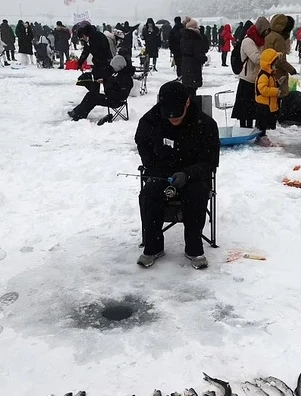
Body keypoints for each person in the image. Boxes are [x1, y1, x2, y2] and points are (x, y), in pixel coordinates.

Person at [135, 81, 220, 269]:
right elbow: (141, 141)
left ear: (187, 103)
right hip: (161, 172)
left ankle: (193, 247)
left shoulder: (206, 125)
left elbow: (210, 162)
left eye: (177, 114)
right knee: (148, 195)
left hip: (194, 174)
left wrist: (188, 173)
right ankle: (153, 246)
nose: (173, 119)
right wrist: (152, 166)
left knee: (196, 195)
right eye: (168, 115)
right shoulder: (150, 120)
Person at [68, 55, 134, 123]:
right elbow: (114, 82)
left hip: (115, 101)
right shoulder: (121, 74)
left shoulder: (125, 78)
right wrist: (105, 81)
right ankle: (78, 112)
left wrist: (109, 88)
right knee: (90, 95)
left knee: (92, 97)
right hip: (112, 98)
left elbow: (121, 94)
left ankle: (79, 114)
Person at [231, 17, 270, 129]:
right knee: (245, 108)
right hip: (247, 78)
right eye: (266, 30)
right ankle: (244, 129)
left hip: (256, 78)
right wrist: (269, 56)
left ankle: (250, 129)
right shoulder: (248, 41)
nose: (266, 33)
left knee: (252, 108)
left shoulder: (260, 41)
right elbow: (256, 58)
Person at [264, 14, 297, 99]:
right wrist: (291, 70)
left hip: (267, 71)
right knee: (278, 98)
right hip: (278, 74)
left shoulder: (268, 35)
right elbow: (280, 59)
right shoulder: (279, 38)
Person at [254, 48, 283, 147]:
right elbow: (263, 89)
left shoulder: (270, 74)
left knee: (264, 121)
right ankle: (260, 137)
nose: (275, 65)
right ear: (268, 63)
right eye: (274, 63)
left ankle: (262, 135)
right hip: (263, 103)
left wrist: (277, 83)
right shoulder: (264, 75)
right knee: (262, 122)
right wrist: (275, 91)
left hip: (267, 102)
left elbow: (270, 85)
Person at [180, 19, 206, 97]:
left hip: (186, 64)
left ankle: (188, 104)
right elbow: (198, 53)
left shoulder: (184, 38)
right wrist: (204, 58)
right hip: (193, 65)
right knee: (192, 88)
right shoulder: (195, 39)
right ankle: (191, 105)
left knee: (188, 87)